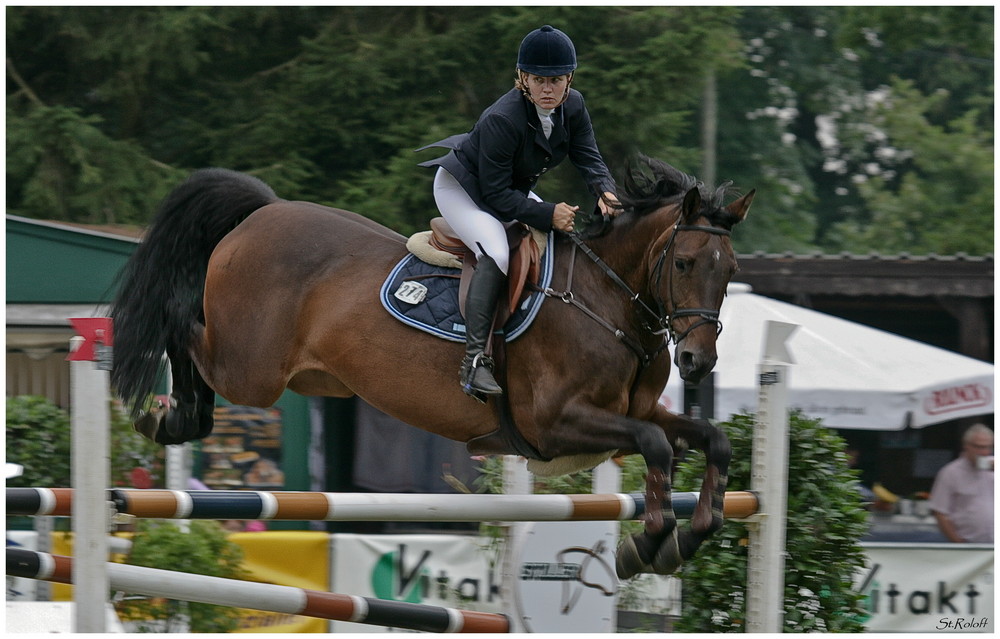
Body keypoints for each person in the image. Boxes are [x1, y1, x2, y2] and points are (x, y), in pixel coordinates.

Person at [418, 24, 620, 398]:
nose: (547, 89)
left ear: (569, 79)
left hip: (507, 189)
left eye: (556, 80)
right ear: (523, 78)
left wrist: (605, 191)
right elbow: (495, 196)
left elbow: (589, 157)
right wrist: (547, 214)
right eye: (538, 79)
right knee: (495, 250)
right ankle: (475, 361)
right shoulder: (502, 118)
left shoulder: (573, 106)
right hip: (464, 190)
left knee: (565, 238)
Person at [929, 423, 994, 543]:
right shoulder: (950, 473)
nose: (984, 452)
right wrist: (958, 543)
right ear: (966, 446)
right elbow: (940, 513)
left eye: (988, 447)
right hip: (969, 544)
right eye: (979, 447)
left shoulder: (993, 467)